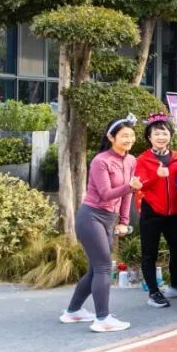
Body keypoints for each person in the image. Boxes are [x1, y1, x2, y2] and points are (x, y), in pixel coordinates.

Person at [60, 116, 141, 333]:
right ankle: (102, 318)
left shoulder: (131, 161)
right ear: (111, 137)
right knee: (104, 266)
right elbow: (106, 193)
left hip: (109, 219)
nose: (129, 139)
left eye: (131, 136)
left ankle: (73, 311)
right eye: (124, 136)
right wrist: (130, 186)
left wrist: (124, 221)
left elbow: (127, 195)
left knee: (95, 269)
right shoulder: (101, 161)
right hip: (91, 217)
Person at [134, 113, 177, 308]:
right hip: (152, 212)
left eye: (164, 133)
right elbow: (140, 185)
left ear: (170, 135)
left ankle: (176, 284)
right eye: (157, 134)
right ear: (149, 137)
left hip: (176, 212)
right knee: (149, 253)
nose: (161, 137)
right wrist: (157, 175)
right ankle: (154, 292)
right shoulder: (143, 159)